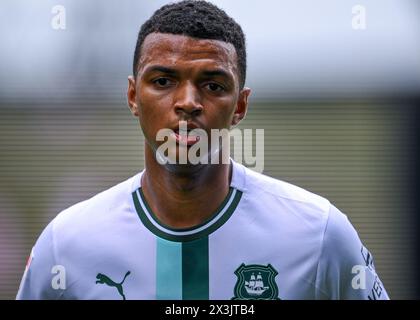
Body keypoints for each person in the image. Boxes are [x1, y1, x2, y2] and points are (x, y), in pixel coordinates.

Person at [16, 0, 389, 300]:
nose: (188, 102)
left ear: (240, 106)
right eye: (163, 81)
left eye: (212, 85)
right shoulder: (66, 244)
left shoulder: (320, 234)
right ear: (133, 96)